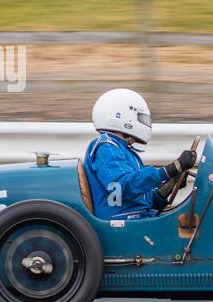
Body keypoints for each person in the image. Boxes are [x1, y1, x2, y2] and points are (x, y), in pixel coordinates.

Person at [83, 89, 196, 220]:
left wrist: (168, 186)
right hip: (122, 222)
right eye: (141, 118)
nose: (144, 122)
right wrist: (169, 170)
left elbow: (142, 200)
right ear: (122, 116)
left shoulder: (122, 149)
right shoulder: (106, 147)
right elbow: (121, 187)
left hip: (134, 216)